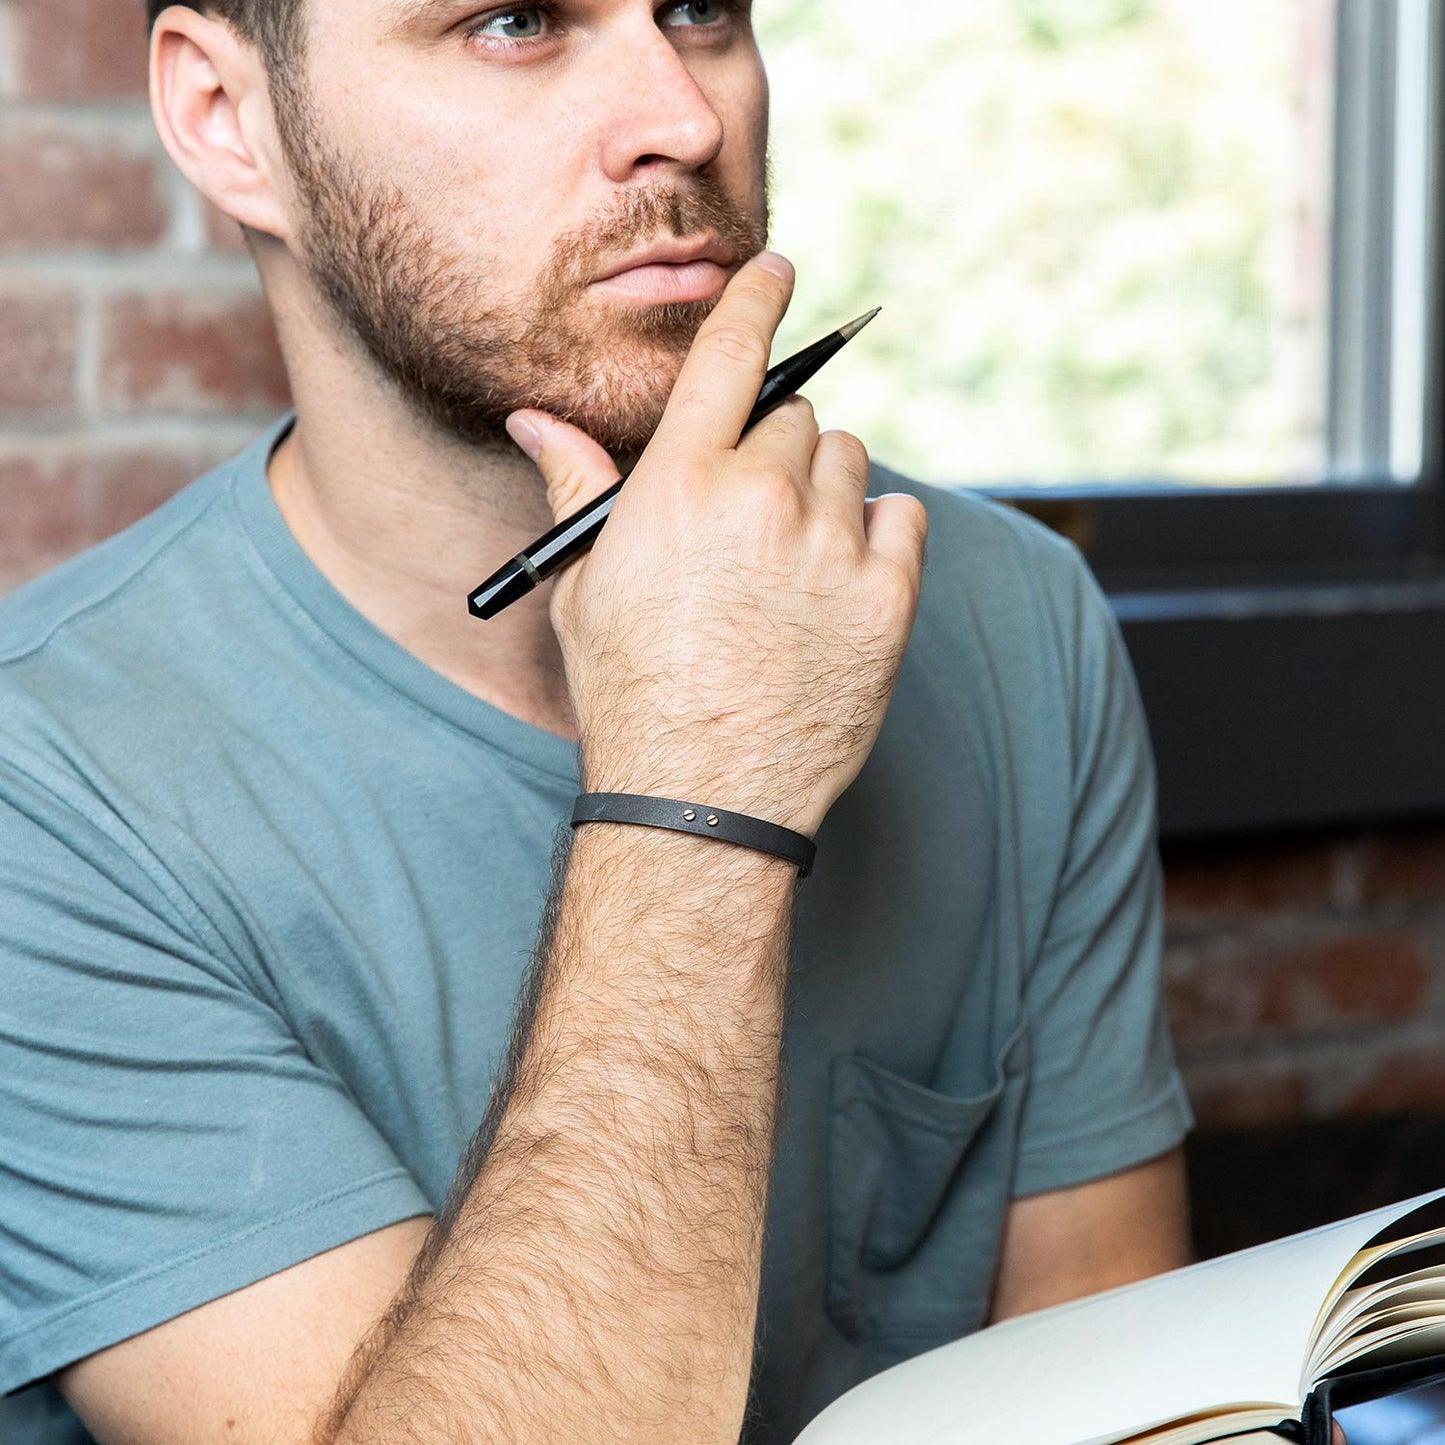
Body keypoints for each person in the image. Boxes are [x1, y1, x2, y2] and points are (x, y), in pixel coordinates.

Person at [0, 2, 1194, 1442]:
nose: (682, 116)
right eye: (515, 21)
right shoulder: (47, 787)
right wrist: (702, 786)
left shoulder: (1012, 616)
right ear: (222, 115)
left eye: (698, 8)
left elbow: (1124, 1390)